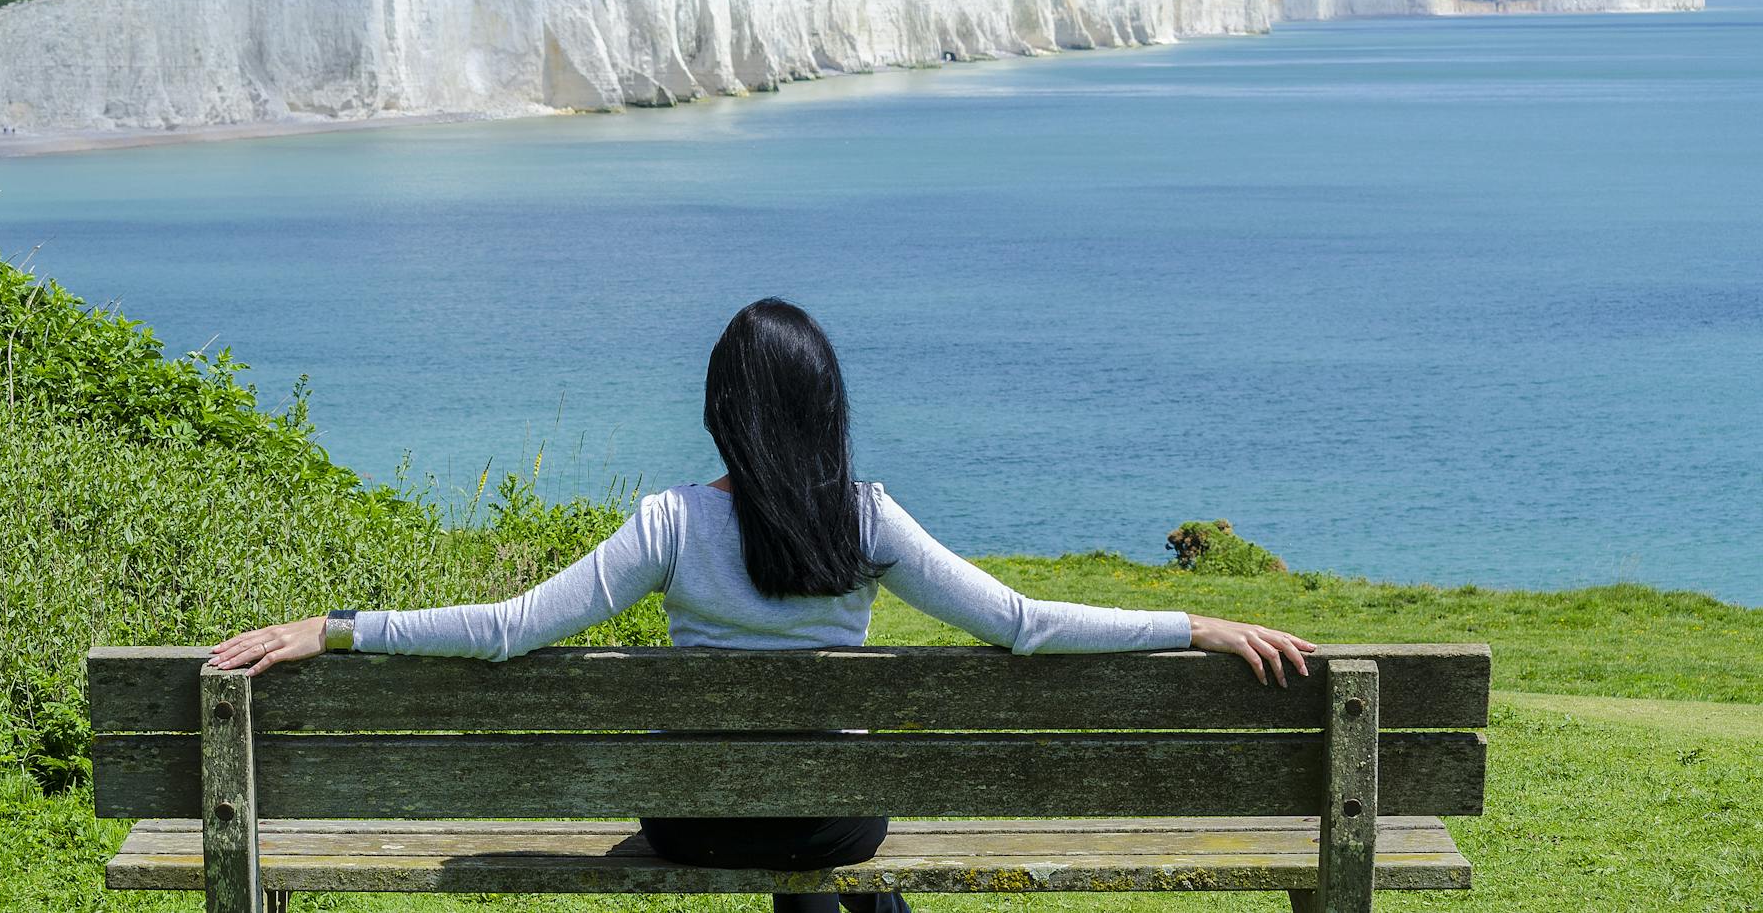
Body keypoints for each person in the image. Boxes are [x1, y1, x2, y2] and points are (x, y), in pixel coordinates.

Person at [210, 298, 1315, 913]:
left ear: (719, 409)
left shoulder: (667, 523)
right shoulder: (868, 518)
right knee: (819, 845)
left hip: (690, 819)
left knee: (768, 818)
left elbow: (507, 630)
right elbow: (1022, 621)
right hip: (835, 817)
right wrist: (1196, 623)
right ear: (826, 402)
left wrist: (336, 626)